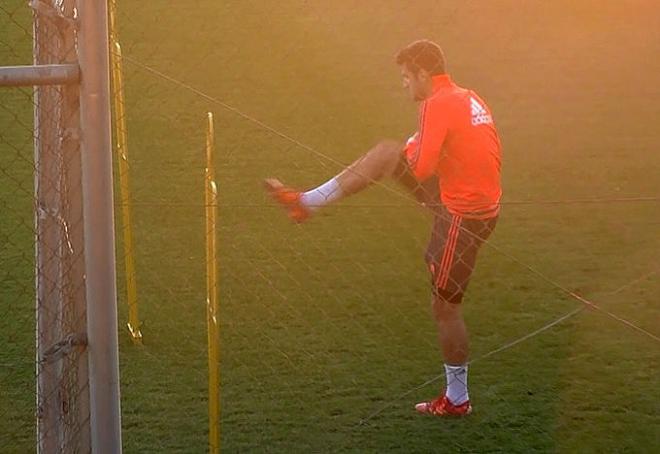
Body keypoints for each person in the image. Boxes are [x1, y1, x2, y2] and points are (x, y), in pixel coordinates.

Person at [265, 39, 502, 417]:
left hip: (463, 214)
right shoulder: (465, 96)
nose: (404, 84)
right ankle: (305, 203)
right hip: (465, 199)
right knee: (388, 153)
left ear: (424, 74)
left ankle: (458, 399)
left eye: (406, 77)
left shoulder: (436, 104)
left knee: (445, 307)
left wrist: (423, 154)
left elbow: (422, 167)